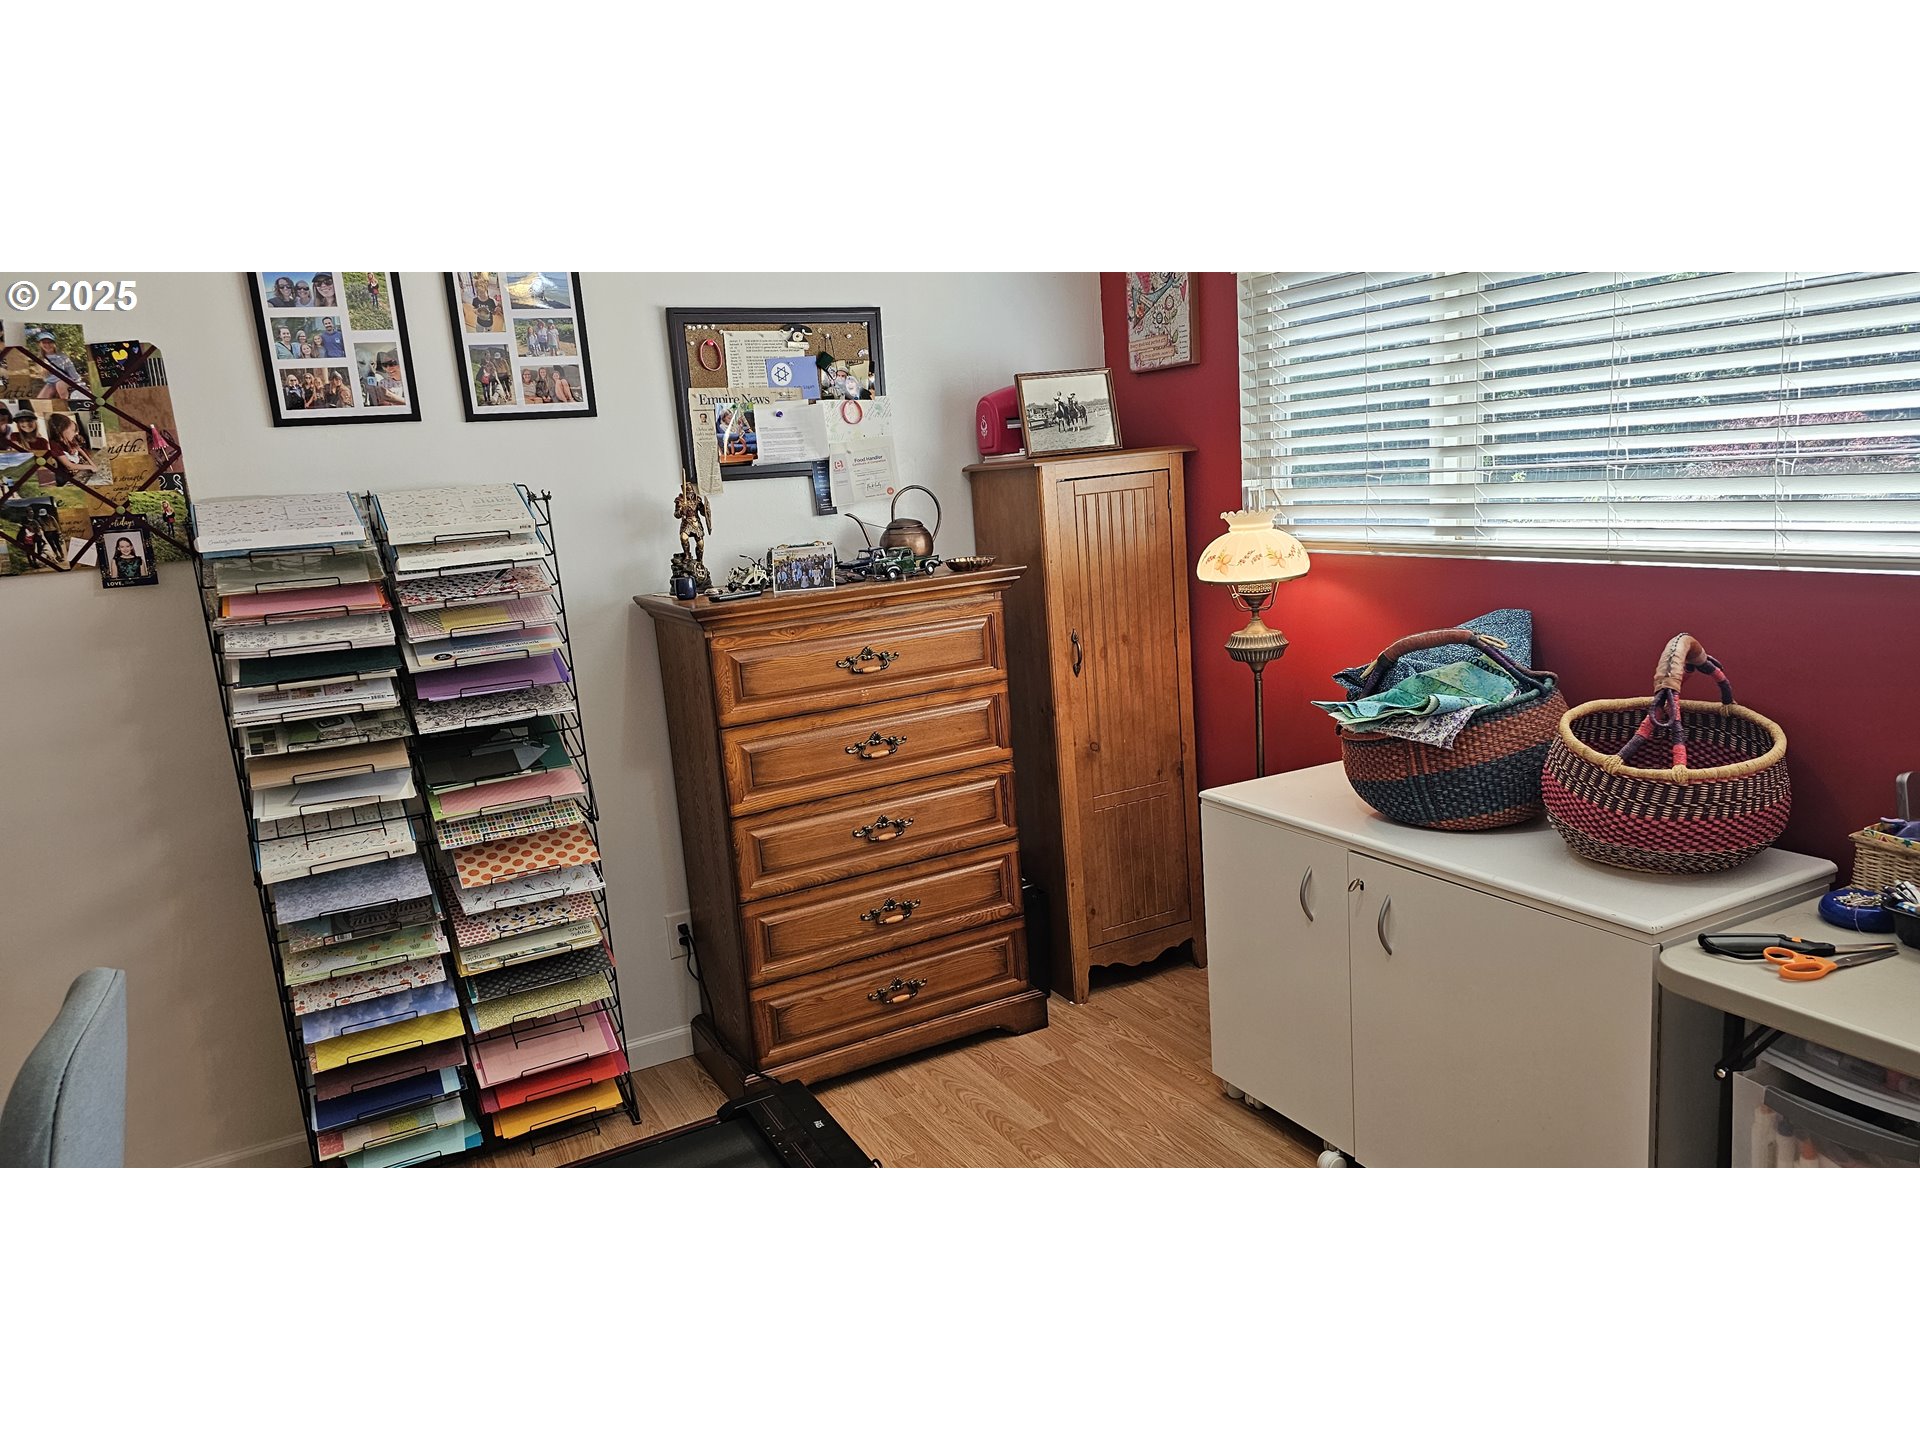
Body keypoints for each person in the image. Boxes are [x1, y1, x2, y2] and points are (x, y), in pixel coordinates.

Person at [45, 413, 102, 487]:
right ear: (62, 429)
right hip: (66, 477)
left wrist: (92, 465)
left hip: (78, 471)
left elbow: (83, 453)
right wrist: (90, 467)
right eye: (73, 430)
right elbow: (69, 466)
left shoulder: (70, 441)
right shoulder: (54, 444)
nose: (75, 433)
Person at [32, 329, 84, 400]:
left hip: (65, 380)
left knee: (60, 385)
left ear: (54, 344)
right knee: (41, 399)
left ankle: (66, 403)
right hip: (51, 383)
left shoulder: (62, 356)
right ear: (40, 344)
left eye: (50, 342)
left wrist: (79, 382)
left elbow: (71, 370)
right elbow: (46, 377)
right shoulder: (40, 359)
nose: (47, 345)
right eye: (44, 342)